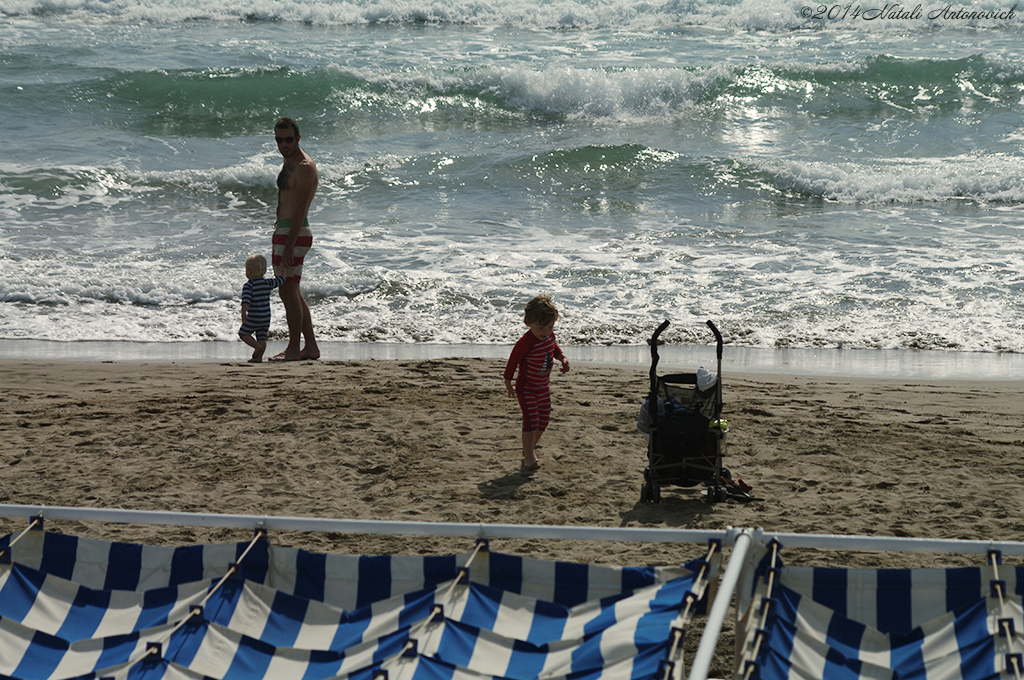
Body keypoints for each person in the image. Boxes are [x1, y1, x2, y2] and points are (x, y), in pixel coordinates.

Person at [269, 116, 320, 361]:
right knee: (292, 291)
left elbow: (299, 211)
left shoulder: (304, 167)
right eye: (279, 140)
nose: (284, 144)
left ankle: (293, 349)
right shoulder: (289, 162)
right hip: (286, 233)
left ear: (298, 138)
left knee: (288, 292)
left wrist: (288, 245)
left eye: (288, 139)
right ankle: (310, 347)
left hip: (295, 235)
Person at [503, 294, 570, 472]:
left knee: (544, 420)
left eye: (550, 327)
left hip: (543, 388)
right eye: (541, 327)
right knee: (531, 421)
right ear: (528, 323)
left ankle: (529, 449)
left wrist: (562, 358)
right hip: (526, 389)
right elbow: (513, 360)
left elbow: (553, 348)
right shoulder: (525, 343)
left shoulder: (549, 336)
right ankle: (529, 458)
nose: (546, 332)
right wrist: (508, 381)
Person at [238, 254, 285, 363]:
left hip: (254, 317)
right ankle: (258, 357)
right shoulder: (267, 283)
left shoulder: (249, 285)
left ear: (249, 272)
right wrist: (283, 270)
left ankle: (256, 347)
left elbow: (246, 301)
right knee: (262, 337)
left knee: (243, 333)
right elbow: (281, 280)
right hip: (266, 317)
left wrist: (243, 313)